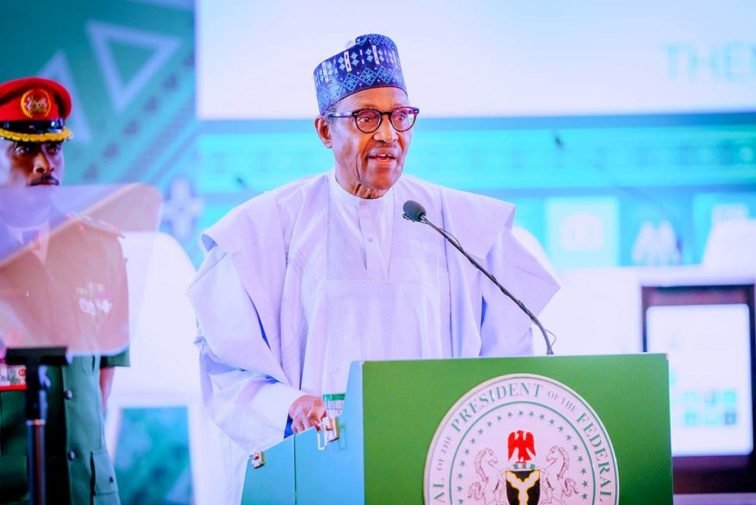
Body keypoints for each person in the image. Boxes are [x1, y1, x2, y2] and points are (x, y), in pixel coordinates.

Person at [189, 32, 558, 461]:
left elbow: (510, 357)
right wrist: (289, 406)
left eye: (400, 116)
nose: (388, 134)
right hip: (316, 462)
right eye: (367, 117)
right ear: (325, 130)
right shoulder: (265, 229)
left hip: (438, 461)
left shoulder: (458, 224)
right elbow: (227, 367)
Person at [0, 77, 128, 504]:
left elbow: (104, 372)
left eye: (53, 148)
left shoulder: (100, 247)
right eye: (24, 149)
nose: (44, 164)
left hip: (86, 489)